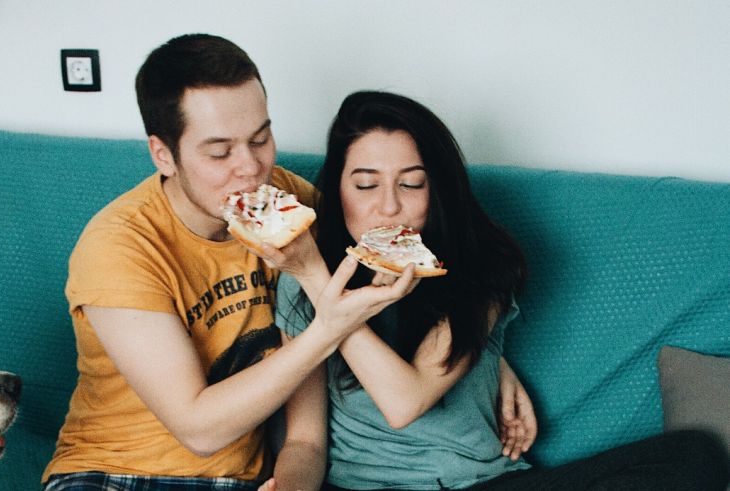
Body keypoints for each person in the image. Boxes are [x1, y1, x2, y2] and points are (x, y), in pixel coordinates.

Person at [267, 90, 729, 490]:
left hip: (478, 484)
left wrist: (320, 285)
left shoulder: (480, 268)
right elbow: (305, 443)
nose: (389, 206)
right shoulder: (301, 281)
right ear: (337, 190)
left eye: (411, 183)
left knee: (695, 454)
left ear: (436, 189)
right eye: (366, 184)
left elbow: (405, 401)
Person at [41, 34, 419, 491]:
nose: (251, 168)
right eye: (220, 152)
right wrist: (328, 328)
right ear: (164, 155)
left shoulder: (291, 206)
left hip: (238, 480)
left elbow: (306, 440)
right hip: (109, 473)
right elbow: (199, 429)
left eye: (261, 139)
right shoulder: (120, 246)